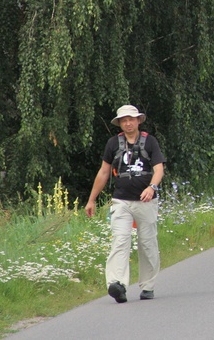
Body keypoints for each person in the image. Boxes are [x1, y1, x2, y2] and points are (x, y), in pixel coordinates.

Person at [85, 105, 165, 303]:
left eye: (131, 119)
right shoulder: (113, 143)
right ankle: (117, 284)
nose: (128, 123)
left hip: (146, 202)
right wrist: (92, 199)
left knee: (147, 244)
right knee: (120, 240)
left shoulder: (150, 142)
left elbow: (159, 169)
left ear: (138, 120)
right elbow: (104, 172)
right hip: (121, 201)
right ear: (119, 123)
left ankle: (148, 286)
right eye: (124, 120)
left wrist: (152, 187)